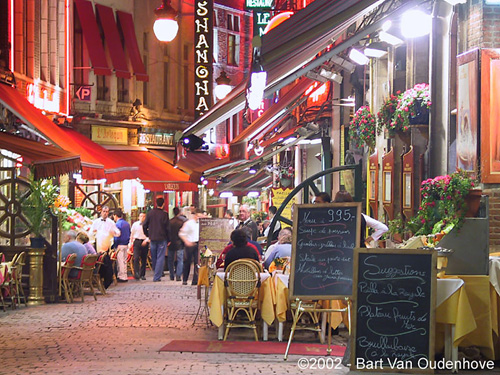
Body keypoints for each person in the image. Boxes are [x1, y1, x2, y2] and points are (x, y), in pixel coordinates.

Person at [143, 197, 170, 282]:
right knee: (160, 257)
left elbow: (144, 225)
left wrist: (148, 234)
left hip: (153, 238)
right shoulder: (164, 214)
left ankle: (156, 272)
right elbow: (167, 228)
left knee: (154, 257)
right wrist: (168, 239)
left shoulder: (150, 213)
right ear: (163, 204)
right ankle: (157, 276)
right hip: (162, 238)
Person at [179, 208, 203, 285]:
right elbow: (181, 233)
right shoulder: (188, 223)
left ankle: (195, 281)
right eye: (198, 216)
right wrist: (186, 241)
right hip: (190, 244)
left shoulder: (202, 224)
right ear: (195, 215)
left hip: (198, 244)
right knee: (187, 262)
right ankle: (185, 279)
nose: (199, 218)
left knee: (197, 262)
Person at [168, 207, 187, 281]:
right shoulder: (181, 222)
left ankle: (171, 275)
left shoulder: (170, 222)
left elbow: (167, 232)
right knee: (180, 260)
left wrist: (168, 240)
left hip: (171, 242)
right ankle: (178, 275)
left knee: (170, 260)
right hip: (180, 243)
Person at [129, 212, 149, 281]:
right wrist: (130, 243)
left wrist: (146, 240)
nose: (142, 218)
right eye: (141, 216)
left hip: (144, 242)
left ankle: (142, 274)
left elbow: (150, 234)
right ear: (138, 217)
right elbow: (132, 234)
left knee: (144, 259)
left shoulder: (148, 224)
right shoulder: (135, 224)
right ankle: (136, 273)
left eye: (144, 216)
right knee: (136, 257)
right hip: (137, 241)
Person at [113, 209, 131, 283]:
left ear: (115, 216)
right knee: (124, 261)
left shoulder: (117, 224)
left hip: (119, 244)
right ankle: (125, 275)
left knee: (120, 261)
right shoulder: (127, 224)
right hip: (126, 244)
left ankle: (121, 276)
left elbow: (117, 236)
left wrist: (114, 244)